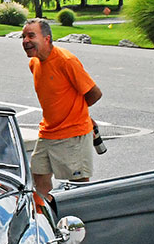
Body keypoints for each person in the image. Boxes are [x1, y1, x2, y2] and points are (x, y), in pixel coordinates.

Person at [22, 18, 103, 199]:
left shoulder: (66, 61)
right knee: (38, 179)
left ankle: (78, 224)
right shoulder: (34, 63)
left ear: (47, 39)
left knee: (78, 188)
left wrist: (76, 111)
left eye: (31, 35)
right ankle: (46, 219)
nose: (25, 41)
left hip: (73, 134)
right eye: (23, 36)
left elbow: (94, 93)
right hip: (48, 133)